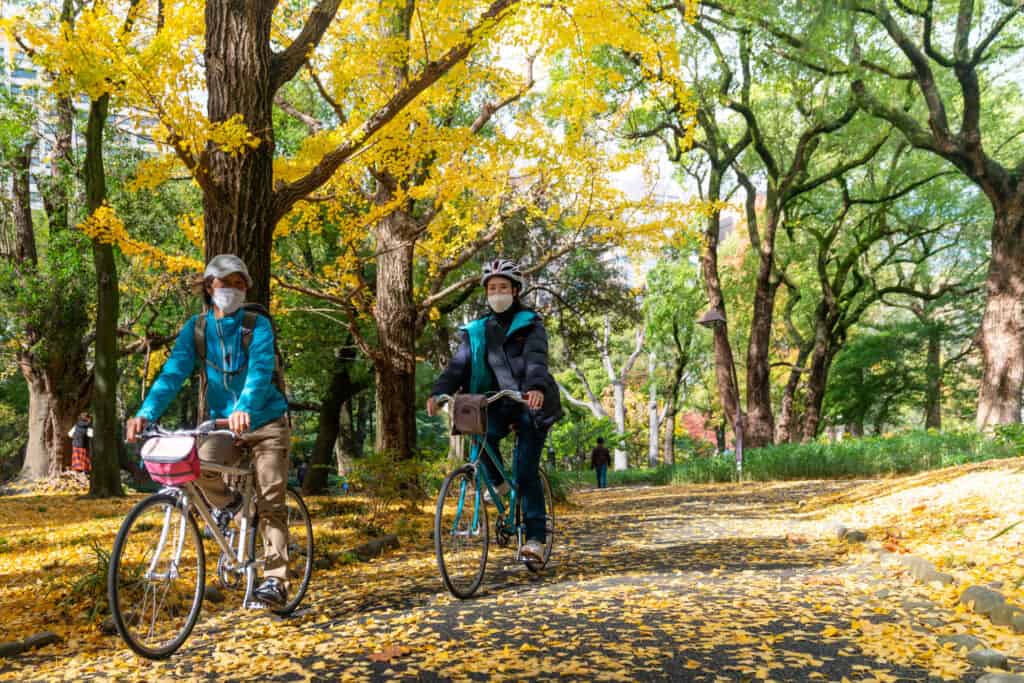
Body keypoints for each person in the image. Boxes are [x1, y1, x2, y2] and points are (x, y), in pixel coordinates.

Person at [125, 254, 292, 608]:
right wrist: (145, 413)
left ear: (246, 288)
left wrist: (245, 406)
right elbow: (173, 373)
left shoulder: (256, 325)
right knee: (196, 464)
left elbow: (261, 370)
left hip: (265, 423)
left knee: (272, 499)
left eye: (238, 283)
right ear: (208, 286)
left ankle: (276, 580)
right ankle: (232, 506)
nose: (231, 289)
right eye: (223, 282)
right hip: (221, 426)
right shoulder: (196, 329)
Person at [427, 258, 562, 562]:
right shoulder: (476, 331)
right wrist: (439, 392)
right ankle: (499, 485)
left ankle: (536, 539)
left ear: (515, 290)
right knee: (477, 437)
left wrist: (536, 388)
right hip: (495, 401)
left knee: (525, 471)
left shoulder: (530, 324)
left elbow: (536, 359)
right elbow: (457, 366)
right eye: (492, 288)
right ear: (486, 293)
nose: (497, 292)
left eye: (503, 287)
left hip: (530, 403)